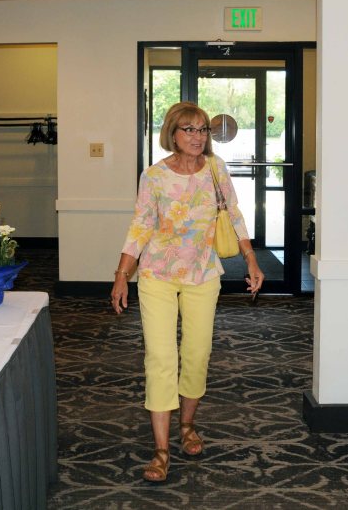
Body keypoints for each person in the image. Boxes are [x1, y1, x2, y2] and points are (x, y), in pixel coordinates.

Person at [111, 101, 264, 483]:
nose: (197, 137)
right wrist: (121, 274)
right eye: (189, 129)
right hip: (157, 275)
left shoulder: (216, 168)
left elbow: (234, 213)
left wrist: (251, 260)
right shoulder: (154, 176)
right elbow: (141, 226)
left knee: (197, 354)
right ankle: (161, 450)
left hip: (202, 274)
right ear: (173, 134)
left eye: (202, 129)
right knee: (160, 358)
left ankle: (188, 425)